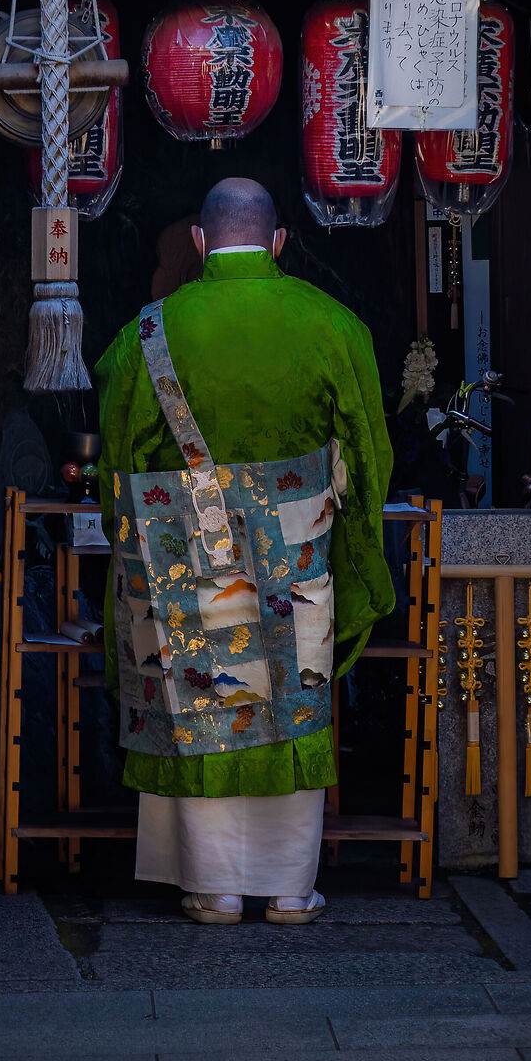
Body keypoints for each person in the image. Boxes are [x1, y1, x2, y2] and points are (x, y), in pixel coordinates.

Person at [95, 177, 394, 923]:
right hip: (298, 554)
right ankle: (291, 887)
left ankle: (214, 884)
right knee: (293, 702)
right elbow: (371, 457)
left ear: (200, 241)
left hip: (186, 555)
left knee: (204, 701)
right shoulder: (333, 325)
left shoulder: (148, 334)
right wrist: (353, 551)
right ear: (279, 241)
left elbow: (116, 470)